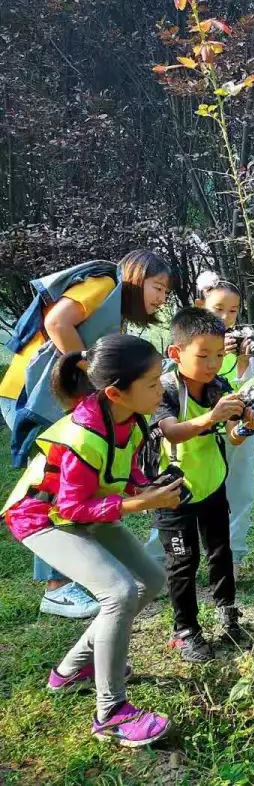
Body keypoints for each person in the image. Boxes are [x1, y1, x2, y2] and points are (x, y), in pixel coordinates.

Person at [1, 334, 180, 746]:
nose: (161, 389)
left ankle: (70, 671)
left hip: (85, 506)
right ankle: (111, 713)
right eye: (153, 383)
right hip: (42, 518)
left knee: (151, 580)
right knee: (119, 591)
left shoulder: (130, 418)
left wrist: (145, 486)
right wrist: (140, 503)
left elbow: (124, 469)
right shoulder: (83, 435)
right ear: (116, 392)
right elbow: (71, 508)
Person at [1, 250, 172, 620]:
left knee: (77, 479)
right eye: (157, 287)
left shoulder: (115, 310)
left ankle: (82, 569)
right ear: (136, 277)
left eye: (165, 292)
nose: (161, 298)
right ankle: (58, 587)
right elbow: (58, 322)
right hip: (30, 393)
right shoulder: (106, 283)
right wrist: (89, 378)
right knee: (54, 480)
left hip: (53, 394)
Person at [153, 307, 254, 663]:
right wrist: (212, 416)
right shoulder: (163, 389)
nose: (213, 364)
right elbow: (170, 431)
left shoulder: (219, 387)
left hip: (212, 484)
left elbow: (232, 436)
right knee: (183, 561)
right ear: (176, 352)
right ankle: (185, 631)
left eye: (218, 355)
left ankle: (227, 612)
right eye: (203, 356)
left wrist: (244, 427)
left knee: (220, 551)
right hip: (173, 493)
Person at [145, 271, 254, 565]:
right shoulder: (189, 341)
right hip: (193, 437)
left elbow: (246, 393)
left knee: (240, 489)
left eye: (233, 310)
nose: (226, 317)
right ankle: (158, 557)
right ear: (200, 305)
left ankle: (232, 556)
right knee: (179, 493)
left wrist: (243, 362)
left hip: (232, 427)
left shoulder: (242, 344)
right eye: (218, 308)